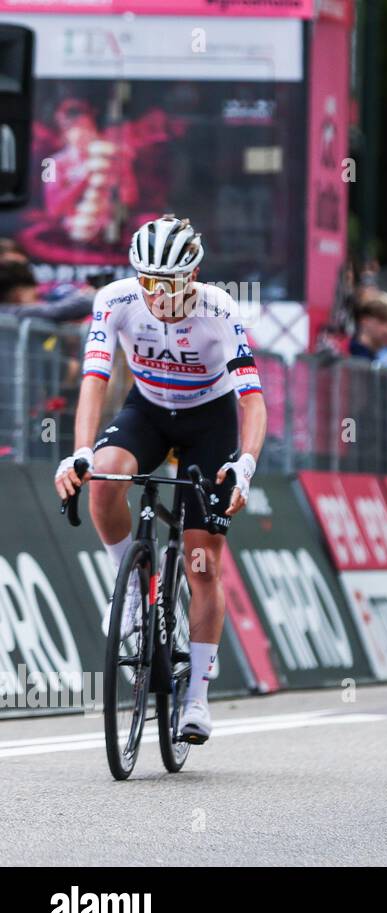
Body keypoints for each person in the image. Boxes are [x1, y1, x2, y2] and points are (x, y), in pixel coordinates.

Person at [52, 214, 266, 745]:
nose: (158, 295)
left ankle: (196, 698)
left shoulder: (220, 308)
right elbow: (95, 380)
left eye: (169, 284)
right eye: (149, 282)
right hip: (146, 410)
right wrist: (80, 450)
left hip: (209, 421)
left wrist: (246, 461)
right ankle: (124, 590)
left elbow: (252, 399)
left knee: (203, 560)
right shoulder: (116, 299)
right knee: (103, 479)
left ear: (192, 276)